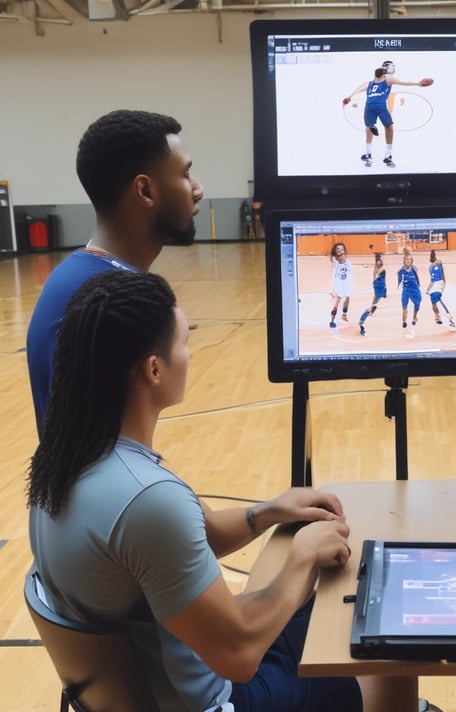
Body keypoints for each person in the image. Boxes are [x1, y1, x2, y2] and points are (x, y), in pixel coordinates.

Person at [26, 269, 417, 712]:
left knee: (343, 611)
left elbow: (195, 538)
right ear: (154, 369)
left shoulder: (65, 463)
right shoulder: (145, 499)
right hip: (221, 697)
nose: (190, 353)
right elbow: (238, 654)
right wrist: (303, 556)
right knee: (384, 634)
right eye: (184, 343)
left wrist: (266, 512)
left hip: (167, 681)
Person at [26, 109, 204, 436]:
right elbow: (93, 467)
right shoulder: (100, 300)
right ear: (145, 191)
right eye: (185, 174)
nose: (198, 188)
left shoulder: (86, 278)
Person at [342, 62, 433, 166]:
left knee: (370, 127)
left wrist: (349, 97)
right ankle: (387, 154)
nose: (393, 68)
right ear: (385, 69)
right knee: (388, 126)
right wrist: (417, 83)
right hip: (380, 106)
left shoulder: (372, 83)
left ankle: (369, 154)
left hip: (370, 106)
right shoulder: (385, 79)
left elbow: (357, 91)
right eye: (391, 66)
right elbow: (403, 83)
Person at [358, 252, 387, 336]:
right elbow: (375, 273)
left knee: (375, 299)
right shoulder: (380, 269)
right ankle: (371, 310)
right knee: (374, 300)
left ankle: (372, 309)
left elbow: (376, 273)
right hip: (378, 285)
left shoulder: (381, 270)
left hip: (379, 285)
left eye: (379, 262)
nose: (378, 264)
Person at [425, 249, 455, 329]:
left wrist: (444, 282)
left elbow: (442, 273)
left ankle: (449, 317)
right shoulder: (430, 268)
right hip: (434, 284)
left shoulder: (439, 263)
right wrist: (428, 289)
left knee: (436, 296)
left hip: (439, 282)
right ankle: (437, 316)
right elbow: (431, 280)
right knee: (433, 300)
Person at [329, 241, 354, 329]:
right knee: (337, 302)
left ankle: (344, 314)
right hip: (338, 283)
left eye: (342, 249)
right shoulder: (334, 259)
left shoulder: (347, 261)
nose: (340, 250)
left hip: (346, 283)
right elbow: (337, 258)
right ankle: (332, 320)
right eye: (338, 249)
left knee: (348, 297)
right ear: (335, 250)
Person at [396, 251, 421, 337]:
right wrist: (398, 285)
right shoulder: (400, 271)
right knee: (404, 309)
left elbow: (417, 278)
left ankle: (415, 316)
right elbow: (399, 281)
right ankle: (404, 322)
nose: (408, 261)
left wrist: (419, 285)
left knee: (417, 305)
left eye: (410, 259)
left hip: (415, 289)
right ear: (404, 260)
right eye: (407, 259)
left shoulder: (414, 268)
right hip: (406, 290)